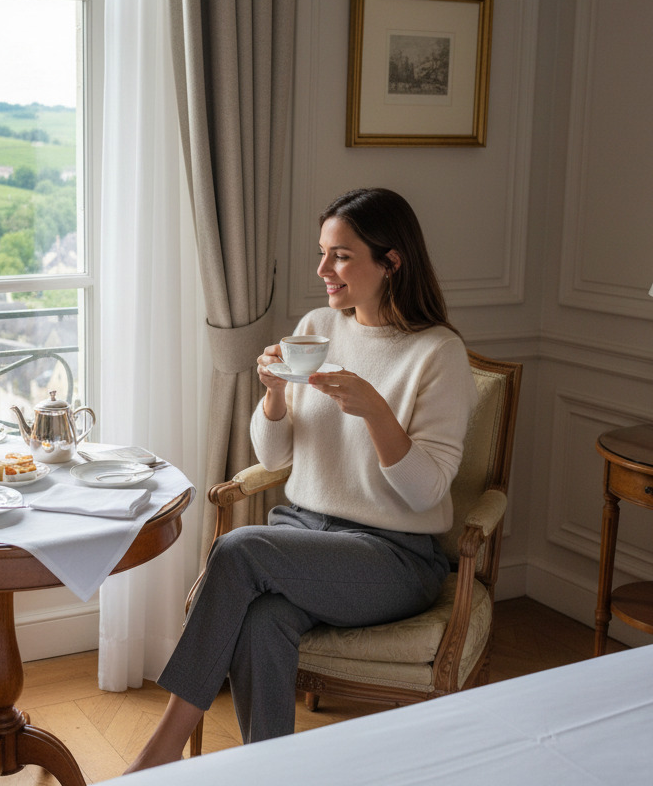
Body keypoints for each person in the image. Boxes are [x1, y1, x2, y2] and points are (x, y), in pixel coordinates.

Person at [124, 187, 477, 772]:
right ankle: (270, 775)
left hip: (394, 557)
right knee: (263, 621)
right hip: (307, 535)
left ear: (392, 261)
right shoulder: (318, 327)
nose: (322, 270)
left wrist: (376, 412)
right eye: (323, 253)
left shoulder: (438, 354)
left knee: (239, 549)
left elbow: (426, 492)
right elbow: (277, 455)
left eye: (340, 255)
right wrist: (274, 395)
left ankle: (159, 754)